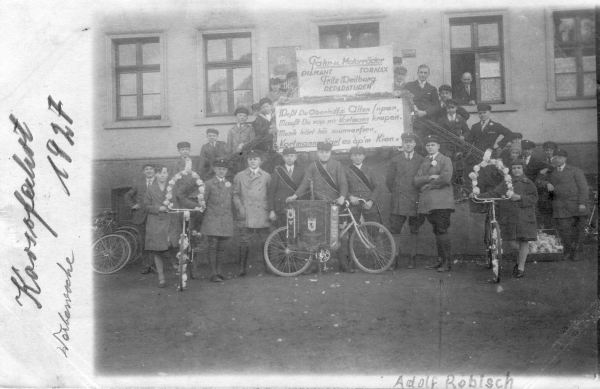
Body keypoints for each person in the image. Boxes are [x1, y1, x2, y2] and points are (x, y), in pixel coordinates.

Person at [287, 142, 348, 274]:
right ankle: (314, 265)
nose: (324, 154)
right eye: (321, 152)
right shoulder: (313, 166)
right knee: (315, 234)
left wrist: (342, 196)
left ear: (330, 153)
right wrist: (295, 195)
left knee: (337, 234)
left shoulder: (337, 165)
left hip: (334, 205)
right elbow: (305, 183)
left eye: (326, 152)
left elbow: (343, 182)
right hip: (318, 206)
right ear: (317, 153)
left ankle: (343, 264)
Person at [478, 159, 538, 278]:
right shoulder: (506, 183)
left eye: (519, 168)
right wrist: (478, 195)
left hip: (524, 216)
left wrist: (520, 197)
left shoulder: (528, 183)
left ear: (523, 169)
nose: (516, 170)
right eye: (514, 168)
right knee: (511, 241)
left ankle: (521, 267)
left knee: (523, 241)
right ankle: (523, 256)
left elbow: (534, 198)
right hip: (509, 216)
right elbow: (495, 193)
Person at [144, 165, 201, 288]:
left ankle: (177, 269)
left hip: (171, 223)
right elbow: (146, 206)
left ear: (168, 174)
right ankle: (161, 278)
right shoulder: (150, 189)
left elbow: (182, 200)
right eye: (159, 173)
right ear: (156, 175)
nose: (162, 175)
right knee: (157, 250)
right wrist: (159, 208)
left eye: (164, 172)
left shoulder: (173, 188)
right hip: (156, 222)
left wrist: (195, 206)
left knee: (175, 246)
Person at [537, 149, 589, 261]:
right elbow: (538, 181)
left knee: (578, 231)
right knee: (564, 230)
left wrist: (582, 203)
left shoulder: (575, 170)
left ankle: (576, 251)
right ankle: (567, 250)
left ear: (565, 158)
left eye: (560, 157)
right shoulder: (550, 172)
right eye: (556, 157)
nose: (558, 159)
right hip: (560, 206)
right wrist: (547, 183)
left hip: (576, 205)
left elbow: (584, 188)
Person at [337, 146, 383, 273]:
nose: (357, 157)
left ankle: (379, 260)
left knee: (374, 232)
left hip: (369, 204)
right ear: (351, 157)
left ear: (364, 156)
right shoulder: (346, 171)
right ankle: (351, 263)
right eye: (354, 155)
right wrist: (350, 196)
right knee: (352, 233)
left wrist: (371, 200)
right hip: (354, 206)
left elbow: (378, 187)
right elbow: (343, 187)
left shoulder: (370, 169)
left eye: (360, 155)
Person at [414, 135, 455, 272]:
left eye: (433, 145)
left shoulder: (445, 159)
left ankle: (447, 262)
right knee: (436, 230)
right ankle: (440, 260)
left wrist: (428, 186)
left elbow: (446, 178)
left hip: (442, 202)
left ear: (438, 146)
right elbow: (416, 180)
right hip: (429, 203)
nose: (430, 147)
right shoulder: (425, 161)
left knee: (442, 230)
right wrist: (430, 177)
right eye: (428, 145)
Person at [386, 132, 426, 269]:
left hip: (415, 199)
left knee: (414, 229)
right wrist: (398, 192)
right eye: (405, 142)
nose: (408, 144)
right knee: (395, 229)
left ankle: (412, 258)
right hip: (398, 199)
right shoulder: (395, 160)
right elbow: (389, 181)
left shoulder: (421, 160)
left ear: (415, 144)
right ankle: (394, 259)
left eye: (411, 142)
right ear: (402, 144)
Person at [233, 150, 272, 276]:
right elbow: (235, 195)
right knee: (244, 240)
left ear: (260, 161)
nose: (253, 161)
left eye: (255, 159)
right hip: (246, 212)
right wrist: (240, 207)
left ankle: (268, 267)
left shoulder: (266, 176)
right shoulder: (240, 176)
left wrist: (270, 209)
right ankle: (242, 268)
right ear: (247, 161)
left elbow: (269, 194)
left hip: (261, 211)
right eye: (250, 159)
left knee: (265, 240)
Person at [200, 159, 235, 282]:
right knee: (213, 246)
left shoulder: (229, 184)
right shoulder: (208, 184)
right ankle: (213, 273)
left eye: (224, 169)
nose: (221, 171)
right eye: (219, 169)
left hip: (225, 219)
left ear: (227, 171)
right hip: (212, 219)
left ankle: (219, 272)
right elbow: (202, 202)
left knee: (222, 247)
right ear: (214, 170)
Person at [124, 163, 157, 274]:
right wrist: (133, 205)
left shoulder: (160, 182)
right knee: (144, 242)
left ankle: (155, 265)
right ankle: (146, 265)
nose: (149, 171)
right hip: (141, 217)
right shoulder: (139, 184)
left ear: (154, 171)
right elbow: (127, 195)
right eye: (146, 169)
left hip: (156, 216)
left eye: (151, 169)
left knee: (155, 241)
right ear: (143, 172)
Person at [267, 147, 305, 229]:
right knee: (282, 232)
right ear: (283, 158)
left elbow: (304, 188)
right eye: (287, 156)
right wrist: (271, 210)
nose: (289, 158)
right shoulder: (278, 171)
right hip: (281, 208)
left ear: (295, 157)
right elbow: (271, 191)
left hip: (297, 206)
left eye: (292, 156)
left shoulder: (301, 171)